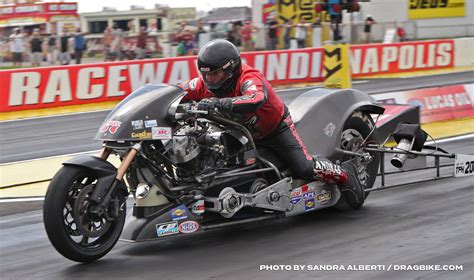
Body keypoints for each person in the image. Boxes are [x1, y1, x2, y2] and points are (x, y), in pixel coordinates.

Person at [180, 39, 366, 208]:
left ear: (231, 69)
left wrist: (220, 103)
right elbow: (176, 92)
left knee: (304, 167)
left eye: (215, 74)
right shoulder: (201, 85)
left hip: (276, 130)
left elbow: (256, 98)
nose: (209, 80)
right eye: (206, 75)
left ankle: (345, 175)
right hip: (242, 135)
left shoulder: (248, 77)